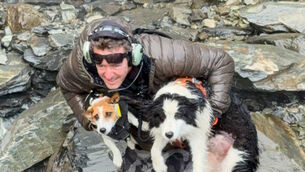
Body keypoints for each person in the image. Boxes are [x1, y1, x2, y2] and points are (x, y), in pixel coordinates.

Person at [56, 16, 235, 171]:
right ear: (90, 56)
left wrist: (213, 112)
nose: (108, 75)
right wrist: (89, 120)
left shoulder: (164, 54)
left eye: (116, 64)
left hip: (176, 101)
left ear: (133, 55)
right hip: (136, 113)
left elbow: (221, 61)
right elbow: (68, 87)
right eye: (101, 65)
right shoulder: (79, 67)